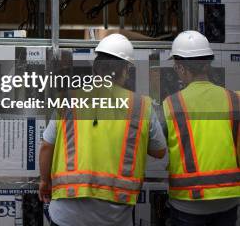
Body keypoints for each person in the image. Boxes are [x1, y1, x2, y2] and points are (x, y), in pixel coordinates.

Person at [39, 33, 167, 226]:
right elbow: (159, 151)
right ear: (125, 71)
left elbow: (46, 147)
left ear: (95, 69)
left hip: (67, 214)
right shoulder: (141, 106)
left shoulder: (69, 99)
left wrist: (44, 181)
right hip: (114, 217)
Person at [163, 30, 240, 225]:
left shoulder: (171, 104)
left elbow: (160, 150)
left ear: (180, 68)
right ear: (207, 64)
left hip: (187, 202)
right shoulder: (234, 100)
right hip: (228, 199)